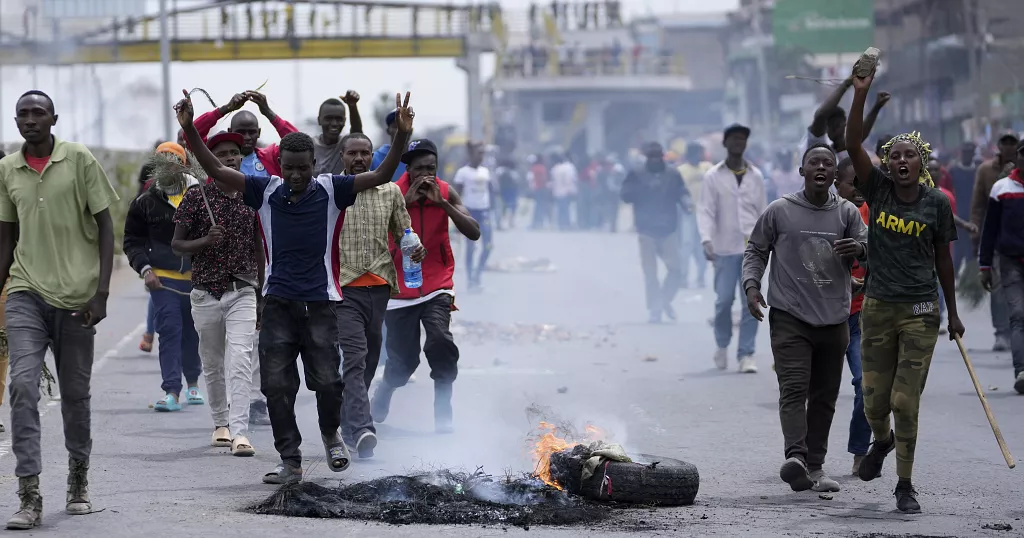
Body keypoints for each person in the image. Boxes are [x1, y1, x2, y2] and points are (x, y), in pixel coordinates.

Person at [176, 88, 416, 484]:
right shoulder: (264, 190)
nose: (295, 175)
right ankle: (290, 459)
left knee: (328, 381)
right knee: (276, 386)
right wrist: (189, 128)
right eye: (288, 167)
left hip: (321, 304)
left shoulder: (331, 189)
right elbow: (217, 171)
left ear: (312, 165)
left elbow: (381, 174)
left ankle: (331, 434)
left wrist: (402, 136)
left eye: (302, 167)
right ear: (280, 165)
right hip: (279, 304)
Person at [846, 65, 963, 514]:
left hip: (920, 311)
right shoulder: (877, 189)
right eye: (894, 154)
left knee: (903, 400)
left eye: (908, 155)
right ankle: (882, 441)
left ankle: (905, 485)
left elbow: (944, 260)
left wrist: (952, 312)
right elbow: (853, 143)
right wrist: (861, 94)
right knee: (874, 404)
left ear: (922, 163)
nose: (900, 160)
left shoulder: (936, 204)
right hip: (876, 309)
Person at [0, 90, 118, 527]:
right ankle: (29, 496)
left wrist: (102, 293)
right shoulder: (6, 170)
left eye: (38, 113)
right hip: (25, 291)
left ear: (53, 119)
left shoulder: (79, 159)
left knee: (75, 396)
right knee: (23, 387)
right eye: (23, 114)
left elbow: (106, 226)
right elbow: (5, 237)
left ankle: (78, 480)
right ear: (16, 123)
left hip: (76, 300)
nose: (30, 120)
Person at [743, 143, 867, 493]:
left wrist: (858, 249)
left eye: (828, 163)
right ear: (802, 171)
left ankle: (816, 466)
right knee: (794, 388)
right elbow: (756, 249)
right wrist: (752, 286)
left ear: (834, 174)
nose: (822, 168)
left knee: (825, 396)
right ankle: (796, 457)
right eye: (814, 162)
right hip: (790, 316)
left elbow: (870, 248)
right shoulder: (780, 210)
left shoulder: (846, 212)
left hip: (834, 318)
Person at [370, 139, 481, 434]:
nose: (426, 175)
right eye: (420, 170)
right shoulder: (392, 193)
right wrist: (404, 201)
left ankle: (443, 406)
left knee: (440, 339)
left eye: (431, 168)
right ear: (408, 169)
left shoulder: (445, 191)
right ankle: (386, 390)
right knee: (404, 362)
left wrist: (443, 203)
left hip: (436, 283)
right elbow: (371, 233)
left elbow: (474, 232)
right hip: (398, 288)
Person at [171, 130, 265, 456]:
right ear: (211, 160)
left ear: (241, 158)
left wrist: (261, 291)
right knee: (212, 362)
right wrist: (204, 241)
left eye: (234, 153)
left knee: (240, 359)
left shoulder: (252, 196)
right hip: (205, 293)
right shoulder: (197, 198)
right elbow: (177, 244)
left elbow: (259, 248)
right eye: (222, 153)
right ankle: (221, 424)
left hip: (243, 290)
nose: (229, 158)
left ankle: (240, 432)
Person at [334, 132, 424, 457]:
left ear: (374, 156)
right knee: (356, 359)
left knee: (371, 357)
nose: (359, 158)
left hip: (380, 287)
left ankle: (348, 419)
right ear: (341, 156)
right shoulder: (332, 190)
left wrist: (415, 248)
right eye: (352, 153)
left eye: (365, 153)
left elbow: (405, 232)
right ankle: (362, 429)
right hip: (343, 288)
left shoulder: (390, 192)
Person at [123, 142, 204, 413]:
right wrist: (146, 270)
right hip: (163, 280)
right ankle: (171, 391)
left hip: (197, 281)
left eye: (174, 162)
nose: (168, 167)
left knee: (193, 334)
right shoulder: (145, 202)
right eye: (162, 162)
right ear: (155, 165)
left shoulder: (200, 194)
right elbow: (132, 241)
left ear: (183, 165)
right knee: (169, 331)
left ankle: (193, 383)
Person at [698, 124, 766, 373]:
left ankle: (746, 354)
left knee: (752, 300)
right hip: (723, 249)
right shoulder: (713, 176)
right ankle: (722, 344)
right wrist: (706, 239)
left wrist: (768, 242)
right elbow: (705, 211)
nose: (739, 143)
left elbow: (762, 212)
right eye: (734, 139)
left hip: (752, 250)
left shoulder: (756, 176)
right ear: (725, 143)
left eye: (742, 139)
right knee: (724, 301)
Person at [621, 142, 691, 323]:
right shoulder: (637, 174)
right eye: (651, 157)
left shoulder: (673, 174)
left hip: (668, 228)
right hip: (646, 229)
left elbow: (681, 191)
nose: (654, 160)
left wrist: (686, 203)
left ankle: (663, 300)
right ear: (646, 158)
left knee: (676, 269)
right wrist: (643, 189)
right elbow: (625, 195)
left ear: (663, 157)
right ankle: (655, 309)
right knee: (650, 273)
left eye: (657, 157)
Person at [834, 157, 872, 475]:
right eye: (851, 183)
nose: (858, 189)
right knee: (815, 388)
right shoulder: (824, 215)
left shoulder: (876, 214)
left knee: (865, 383)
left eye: (863, 182)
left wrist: (866, 281)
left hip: (860, 317)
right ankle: (802, 453)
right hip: (824, 317)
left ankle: (860, 452)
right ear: (837, 184)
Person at [978, 139, 1024, 394]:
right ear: (1017, 158)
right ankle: (1021, 371)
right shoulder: (1001, 188)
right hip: (1010, 262)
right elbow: (990, 229)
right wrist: (985, 265)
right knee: (1018, 316)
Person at [971, 132, 1018, 352]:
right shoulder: (985, 170)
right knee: (998, 287)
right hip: (997, 236)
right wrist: (975, 231)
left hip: (1018, 236)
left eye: (1013, 143)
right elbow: (978, 203)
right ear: (998, 145)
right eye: (1005, 142)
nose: (1008, 146)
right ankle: (1001, 332)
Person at [192, 90, 298, 178]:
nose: (247, 137)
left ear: (259, 132)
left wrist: (268, 112)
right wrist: (225, 109)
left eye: (252, 132)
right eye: (241, 132)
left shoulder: (272, 157)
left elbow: (299, 143)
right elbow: (191, 133)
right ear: (230, 132)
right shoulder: (216, 158)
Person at [803, 75, 889, 160]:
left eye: (839, 126)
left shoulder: (840, 148)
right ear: (825, 128)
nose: (837, 131)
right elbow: (821, 115)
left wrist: (877, 107)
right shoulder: (817, 145)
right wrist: (846, 84)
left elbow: (858, 137)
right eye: (833, 126)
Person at [453, 142, 495, 290]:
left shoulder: (485, 171)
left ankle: (478, 274)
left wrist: (495, 210)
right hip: (470, 213)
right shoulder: (462, 173)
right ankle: (471, 279)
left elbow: (490, 191)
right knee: (471, 247)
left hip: (485, 212)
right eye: (479, 153)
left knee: (488, 246)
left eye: (483, 153)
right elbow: (456, 195)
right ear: (471, 154)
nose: (481, 156)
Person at [677, 143, 711, 287]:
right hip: (687, 213)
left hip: (705, 214)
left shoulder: (708, 168)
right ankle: (683, 277)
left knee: (702, 247)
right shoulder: (681, 170)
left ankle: (701, 277)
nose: (700, 156)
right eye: (697, 153)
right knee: (686, 244)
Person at [313, 91, 363, 175]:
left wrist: (352, 106)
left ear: (344, 121)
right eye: (328, 119)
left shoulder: (347, 143)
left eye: (339, 119)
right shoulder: (310, 145)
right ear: (319, 120)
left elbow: (357, 134)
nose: (334, 124)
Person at [948, 142, 978, 271]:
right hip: (958, 218)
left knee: (972, 254)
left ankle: (971, 286)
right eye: (965, 152)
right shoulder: (953, 171)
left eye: (970, 153)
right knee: (957, 254)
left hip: (974, 217)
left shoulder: (978, 170)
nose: (967, 155)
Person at [370, 108, 408, 182]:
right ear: (388, 131)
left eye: (404, 125)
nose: (400, 130)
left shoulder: (417, 159)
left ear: (411, 130)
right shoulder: (374, 158)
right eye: (395, 127)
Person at [550, 153, 578, 230]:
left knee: (560, 208)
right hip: (567, 191)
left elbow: (553, 180)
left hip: (557, 191)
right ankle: (566, 223)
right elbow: (571, 180)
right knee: (567, 208)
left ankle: (561, 223)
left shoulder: (555, 168)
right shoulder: (569, 167)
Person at [496, 157, 522, 229]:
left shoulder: (500, 171)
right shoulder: (514, 173)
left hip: (503, 191)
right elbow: (517, 182)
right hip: (512, 191)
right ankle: (511, 222)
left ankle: (502, 222)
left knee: (503, 207)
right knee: (512, 207)